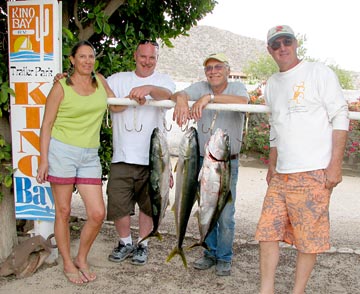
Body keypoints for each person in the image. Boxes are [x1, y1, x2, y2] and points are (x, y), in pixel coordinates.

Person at [255, 25, 349, 294]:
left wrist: (336, 165)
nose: (282, 47)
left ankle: (298, 291)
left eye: (287, 41)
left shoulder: (319, 72)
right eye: (276, 44)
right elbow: (276, 126)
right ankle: (266, 290)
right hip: (281, 175)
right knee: (267, 233)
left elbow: (340, 116)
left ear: (296, 44)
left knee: (309, 240)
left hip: (313, 173)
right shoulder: (272, 84)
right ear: (269, 50)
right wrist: (272, 165)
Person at [36, 40, 116, 284]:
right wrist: (43, 160)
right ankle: (67, 262)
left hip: (89, 154)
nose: (87, 61)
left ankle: (81, 257)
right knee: (63, 211)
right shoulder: (61, 86)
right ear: (72, 60)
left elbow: (118, 107)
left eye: (91, 56)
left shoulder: (100, 81)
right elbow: (47, 125)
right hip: (62, 152)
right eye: (82, 56)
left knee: (97, 213)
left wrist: (141, 96)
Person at [171, 53, 249, 276]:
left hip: (226, 163)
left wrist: (209, 99)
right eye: (209, 68)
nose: (213, 71)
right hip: (204, 161)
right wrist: (183, 99)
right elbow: (179, 93)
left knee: (225, 214)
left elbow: (244, 102)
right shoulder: (201, 86)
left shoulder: (236, 88)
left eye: (218, 67)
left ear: (227, 69)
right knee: (205, 207)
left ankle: (224, 257)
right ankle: (209, 252)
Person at [106, 39, 176, 266]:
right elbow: (92, 86)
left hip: (152, 159)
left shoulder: (163, 81)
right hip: (122, 156)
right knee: (118, 203)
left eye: (152, 57)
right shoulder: (117, 79)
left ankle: (143, 244)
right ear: (135, 56)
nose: (147, 61)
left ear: (157, 59)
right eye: (143, 56)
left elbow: (168, 95)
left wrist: (148, 89)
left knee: (149, 205)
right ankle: (125, 242)